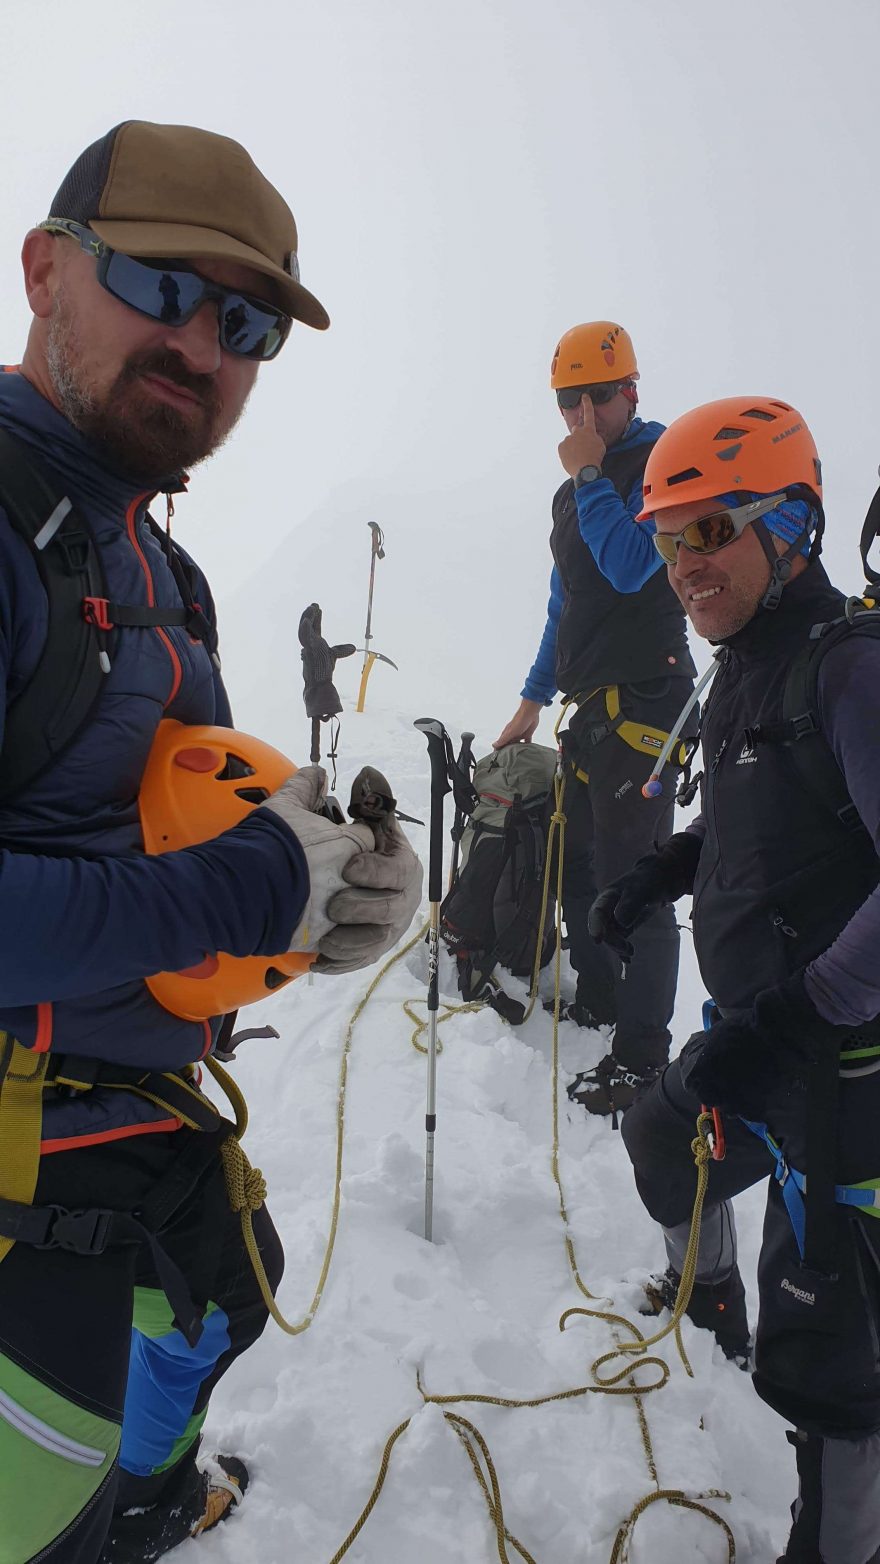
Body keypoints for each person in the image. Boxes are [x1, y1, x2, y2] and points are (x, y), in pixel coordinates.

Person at [0, 121, 422, 1563]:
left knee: (222, 1299)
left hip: (122, 1130)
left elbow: (163, 826)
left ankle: (151, 1497)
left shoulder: (153, 558)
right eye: (164, 286)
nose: (206, 343)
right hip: (15, 1199)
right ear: (46, 269)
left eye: (246, 321)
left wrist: (312, 902)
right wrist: (241, 887)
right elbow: (189, 880)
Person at [590, 395, 880, 1564]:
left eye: (710, 530)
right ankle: (702, 1295)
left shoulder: (848, 666)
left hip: (844, 1073)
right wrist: (666, 867)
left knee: (833, 1367)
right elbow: (771, 824)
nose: (684, 565)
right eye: (667, 539)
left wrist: (802, 1015)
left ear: (791, 525)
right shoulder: (750, 667)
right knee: (660, 1137)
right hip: (759, 1037)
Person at [494, 322, 696, 1116]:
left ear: (631, 392)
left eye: (599, 395)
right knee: (580, 871)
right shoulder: (570, 490)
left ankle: (645, 1058)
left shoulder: (661, 464)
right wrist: (531, 699)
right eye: (567, 399)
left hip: (648, 696)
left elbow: (630, 564)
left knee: (635, 882)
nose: (583, 413)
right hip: (590, 708)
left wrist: (588, 477)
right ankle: (604, 1003)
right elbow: (566, 602)